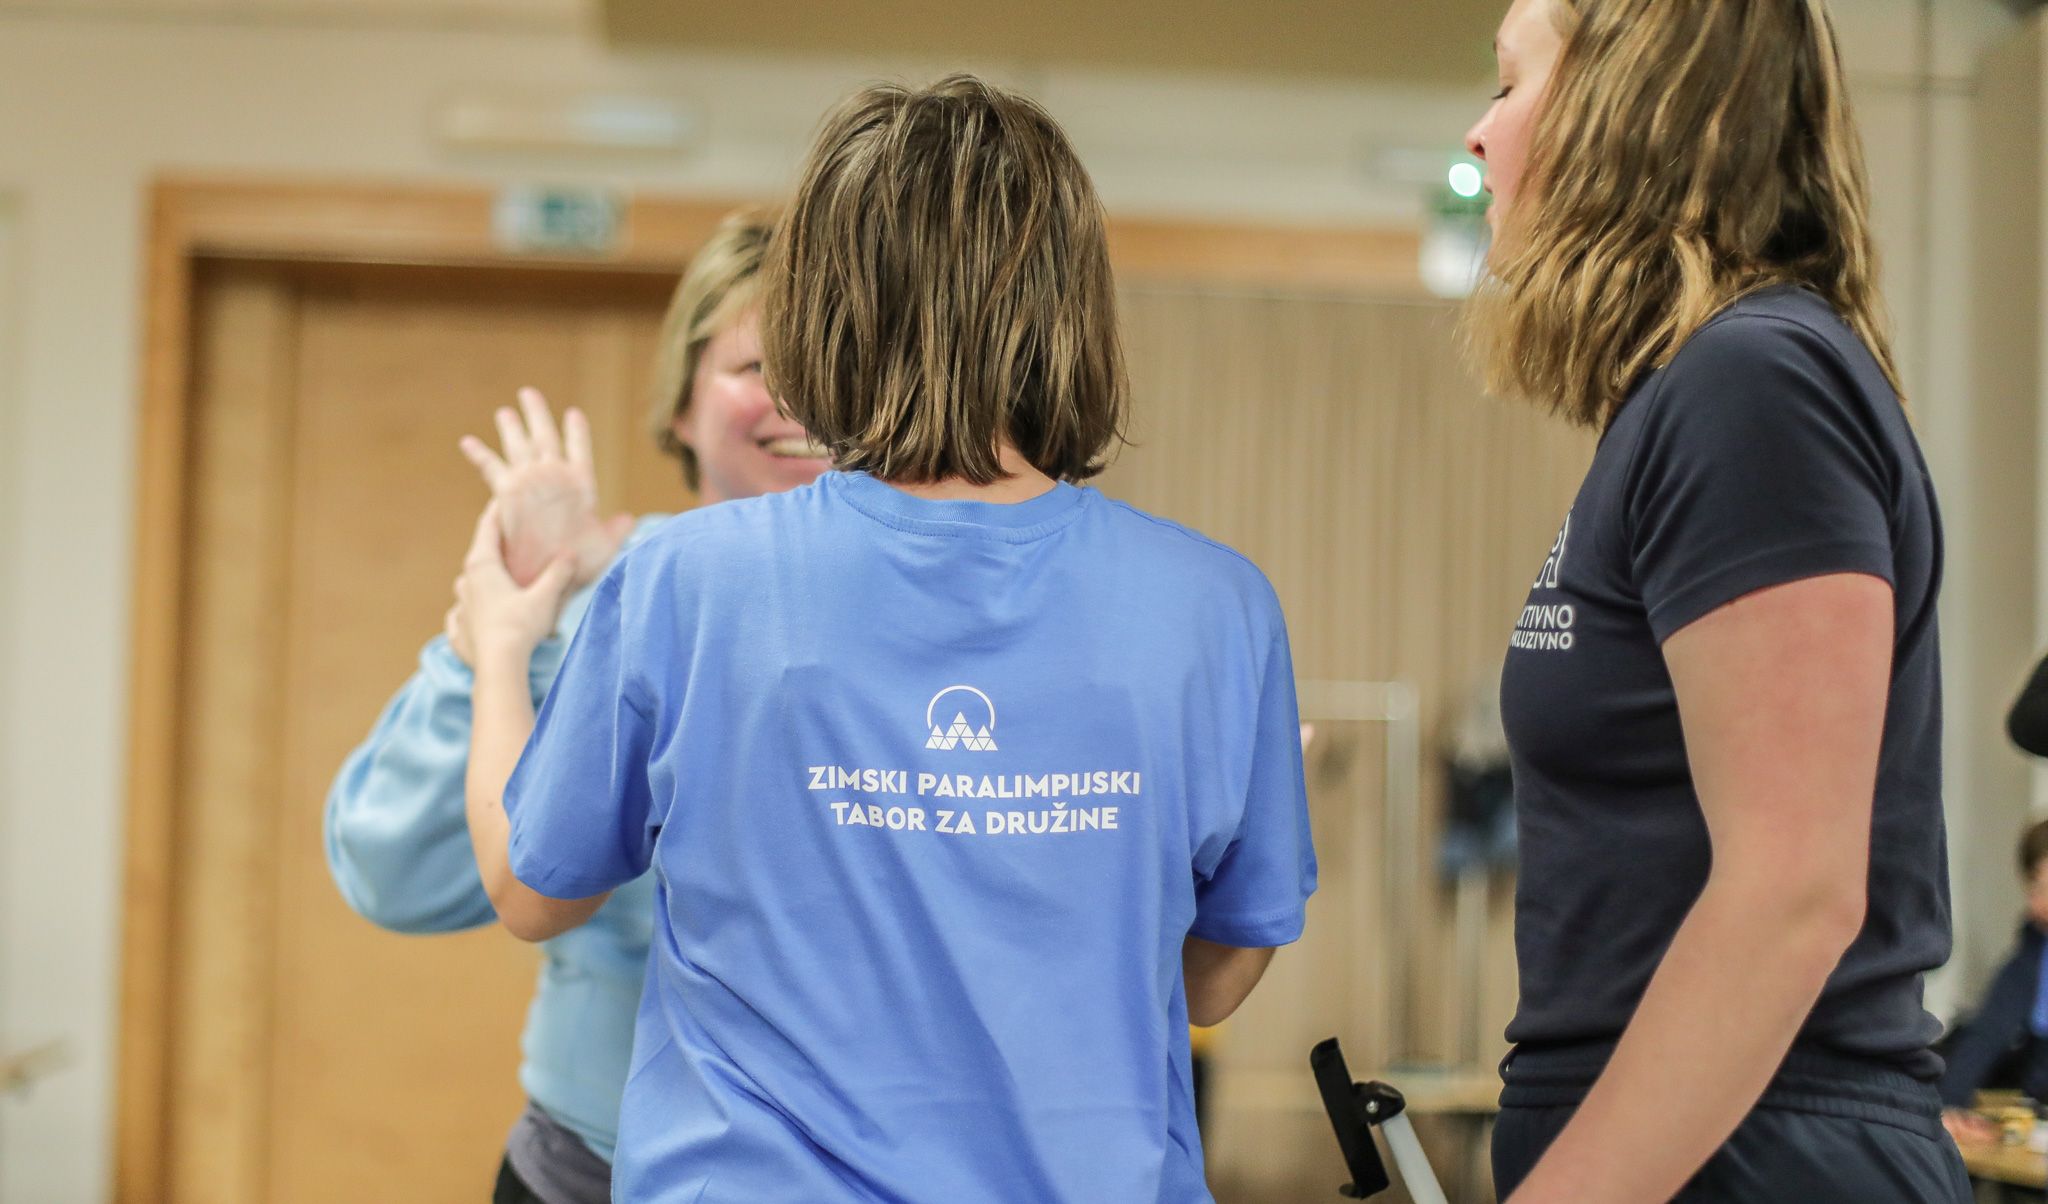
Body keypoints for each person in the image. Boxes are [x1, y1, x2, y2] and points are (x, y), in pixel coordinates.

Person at [453, 75, 1317, 1203]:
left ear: (825, 305)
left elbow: (531, 890)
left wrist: (498, 654)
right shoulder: (1214, 608)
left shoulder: (688, 581)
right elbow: (1209, 982)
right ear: (1070, 309)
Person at [1465, 1, 1964, 1200]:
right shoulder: (1689, 392)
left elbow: (1791, 893)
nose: (1477, 133)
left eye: (1508, 83)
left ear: (1624, 107)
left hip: (1762, 1154)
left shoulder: (1751, 382)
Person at [323, 208, 830, 1204]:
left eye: (828, 367)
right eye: (755, 367)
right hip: (590, 1165)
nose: (798, 399)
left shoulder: (918, 614)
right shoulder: (612, 594)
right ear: (679, 406)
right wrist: (518, 630)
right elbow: (394, 871)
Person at [1937, 819, 2048, 1143]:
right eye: (2032, 889)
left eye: (2045, 888)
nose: (2035, 905)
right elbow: (1987, 1033)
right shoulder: (2034, 951)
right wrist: (1947, 1106)